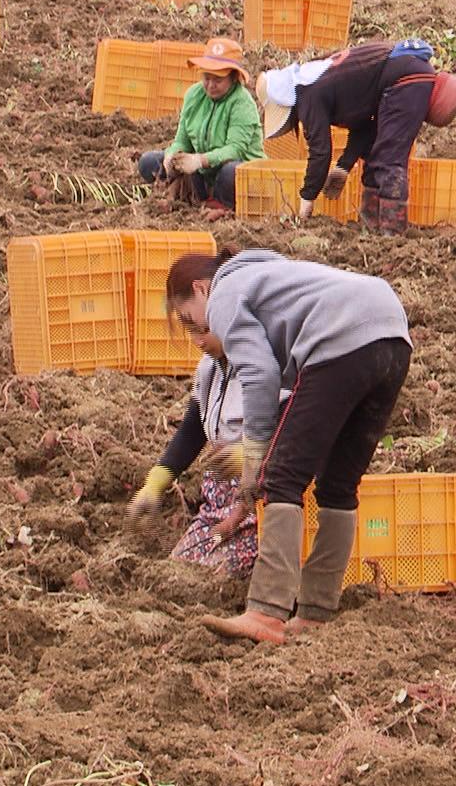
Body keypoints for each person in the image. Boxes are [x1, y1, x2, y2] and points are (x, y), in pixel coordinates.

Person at [168, 248, 412, 644]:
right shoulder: (273, 277)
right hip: (393, 333)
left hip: (340, 338)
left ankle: (266, 612)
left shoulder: (226, 293)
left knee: (281, 477)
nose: (197, 329)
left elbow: (260, 376)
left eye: (189, 317)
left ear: (200, 289)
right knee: (337, 484)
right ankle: (316, 610)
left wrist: (253, 465)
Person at [258, 39, 456, 234]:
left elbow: (320, 152)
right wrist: (344, 165)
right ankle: (371, 228)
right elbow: (364, 125)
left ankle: (392, 234)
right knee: (373, 157)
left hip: (404, 78)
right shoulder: (320, 78)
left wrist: (306, 202)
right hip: (404, 74)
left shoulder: (307, 93)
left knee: (388, 160)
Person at [126, 353, 264, 578]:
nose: (198, 340)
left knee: (213, 577)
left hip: (260, 505)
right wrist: (154, 485)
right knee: (178, 571)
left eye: (203, 329)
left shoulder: (268, 364)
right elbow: (192, 429)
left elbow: (295, 429)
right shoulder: (211, 366)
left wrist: (252, 453)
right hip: (217, 503)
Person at [137, 37, 264, 215]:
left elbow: (235, 150)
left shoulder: (242, 103)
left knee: (231, 172)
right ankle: (194, 194)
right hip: (203, 173)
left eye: (218, 80)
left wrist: (200, 160)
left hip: (238, 172)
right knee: (148, 162)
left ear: (234, 78)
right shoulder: (194, 95)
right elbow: (182, 140)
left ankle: (221, 205)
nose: (210, 85)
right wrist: (172, 155)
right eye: (206, 77)